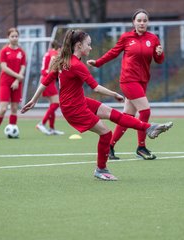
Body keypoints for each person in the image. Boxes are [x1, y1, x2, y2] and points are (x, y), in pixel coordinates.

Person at [21, 29, 173, 181]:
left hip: (78, 101)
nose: (91, 48)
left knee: (115, 115)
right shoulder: (75, 64)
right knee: (106, 134)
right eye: (89, 44)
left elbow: (45, 81)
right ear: (79, 45)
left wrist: (34, 100)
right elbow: (95, 87)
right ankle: (101, 169)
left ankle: (149, 128)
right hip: (74, 109)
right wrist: (114, 94)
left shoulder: (64, 60)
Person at [87, 9, 169, 160]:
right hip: (128, 80)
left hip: (143, 80)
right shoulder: (126, 37)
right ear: (134, 22)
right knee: (145, 111)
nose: (142, 23)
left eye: (145, 20)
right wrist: (97, 63)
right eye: (139, 20)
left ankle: (110, 147)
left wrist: (159, 53)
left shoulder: (153, 38)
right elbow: (113, 52)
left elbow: (159, 61)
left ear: (147, 22)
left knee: (127, 117)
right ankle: (141, 147)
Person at [0, 27, 26, 139]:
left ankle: (12, 129)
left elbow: (22, 67)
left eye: (16, 36)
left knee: (14, 108)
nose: (14, 38)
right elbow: (4, 68)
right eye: (12, 36)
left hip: (17, 83)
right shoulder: (4, 51)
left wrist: (17, 80)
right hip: (5, 82)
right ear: (8, 37)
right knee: (3, 108)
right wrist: (18, 76)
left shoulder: (21, 52)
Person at [35, 40, 65, 136]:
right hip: (48, 80)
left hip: (47, 79)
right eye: (61, 50)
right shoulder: (54, 52)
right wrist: (53, 69)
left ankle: (51, 128)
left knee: (53, 104)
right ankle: (42, 123)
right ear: (59, 49)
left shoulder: (48, 52)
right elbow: (53, 58)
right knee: (56, 104)